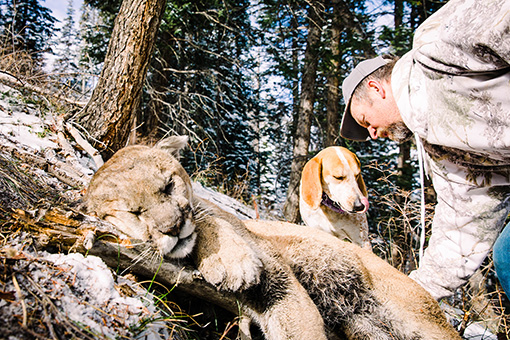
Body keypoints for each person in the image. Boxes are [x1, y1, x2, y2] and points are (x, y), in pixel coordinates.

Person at [340, 0, 510, 301]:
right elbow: (462, 229)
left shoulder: (435, 52)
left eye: (367, 121)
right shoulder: (445, 155)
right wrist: (413, 297)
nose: (374, 135)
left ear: (377, 90)